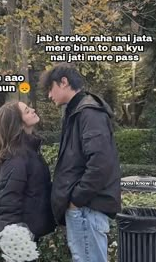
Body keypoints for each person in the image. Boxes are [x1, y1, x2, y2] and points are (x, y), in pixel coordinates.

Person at [40, 63, 121, 262]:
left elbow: (101, 163)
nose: (49, 96)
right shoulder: (79, 112)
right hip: (85, 208)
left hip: (87, 209)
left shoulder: (88, 112)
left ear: (64, 82)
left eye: (50, 89)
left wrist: (76, 200)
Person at [0, 101, 55, 246]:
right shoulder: (16, 158)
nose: (33, 110)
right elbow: (9, 202)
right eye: (27, 111)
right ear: (19, 124)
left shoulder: (29, 151)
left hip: (29, 231)